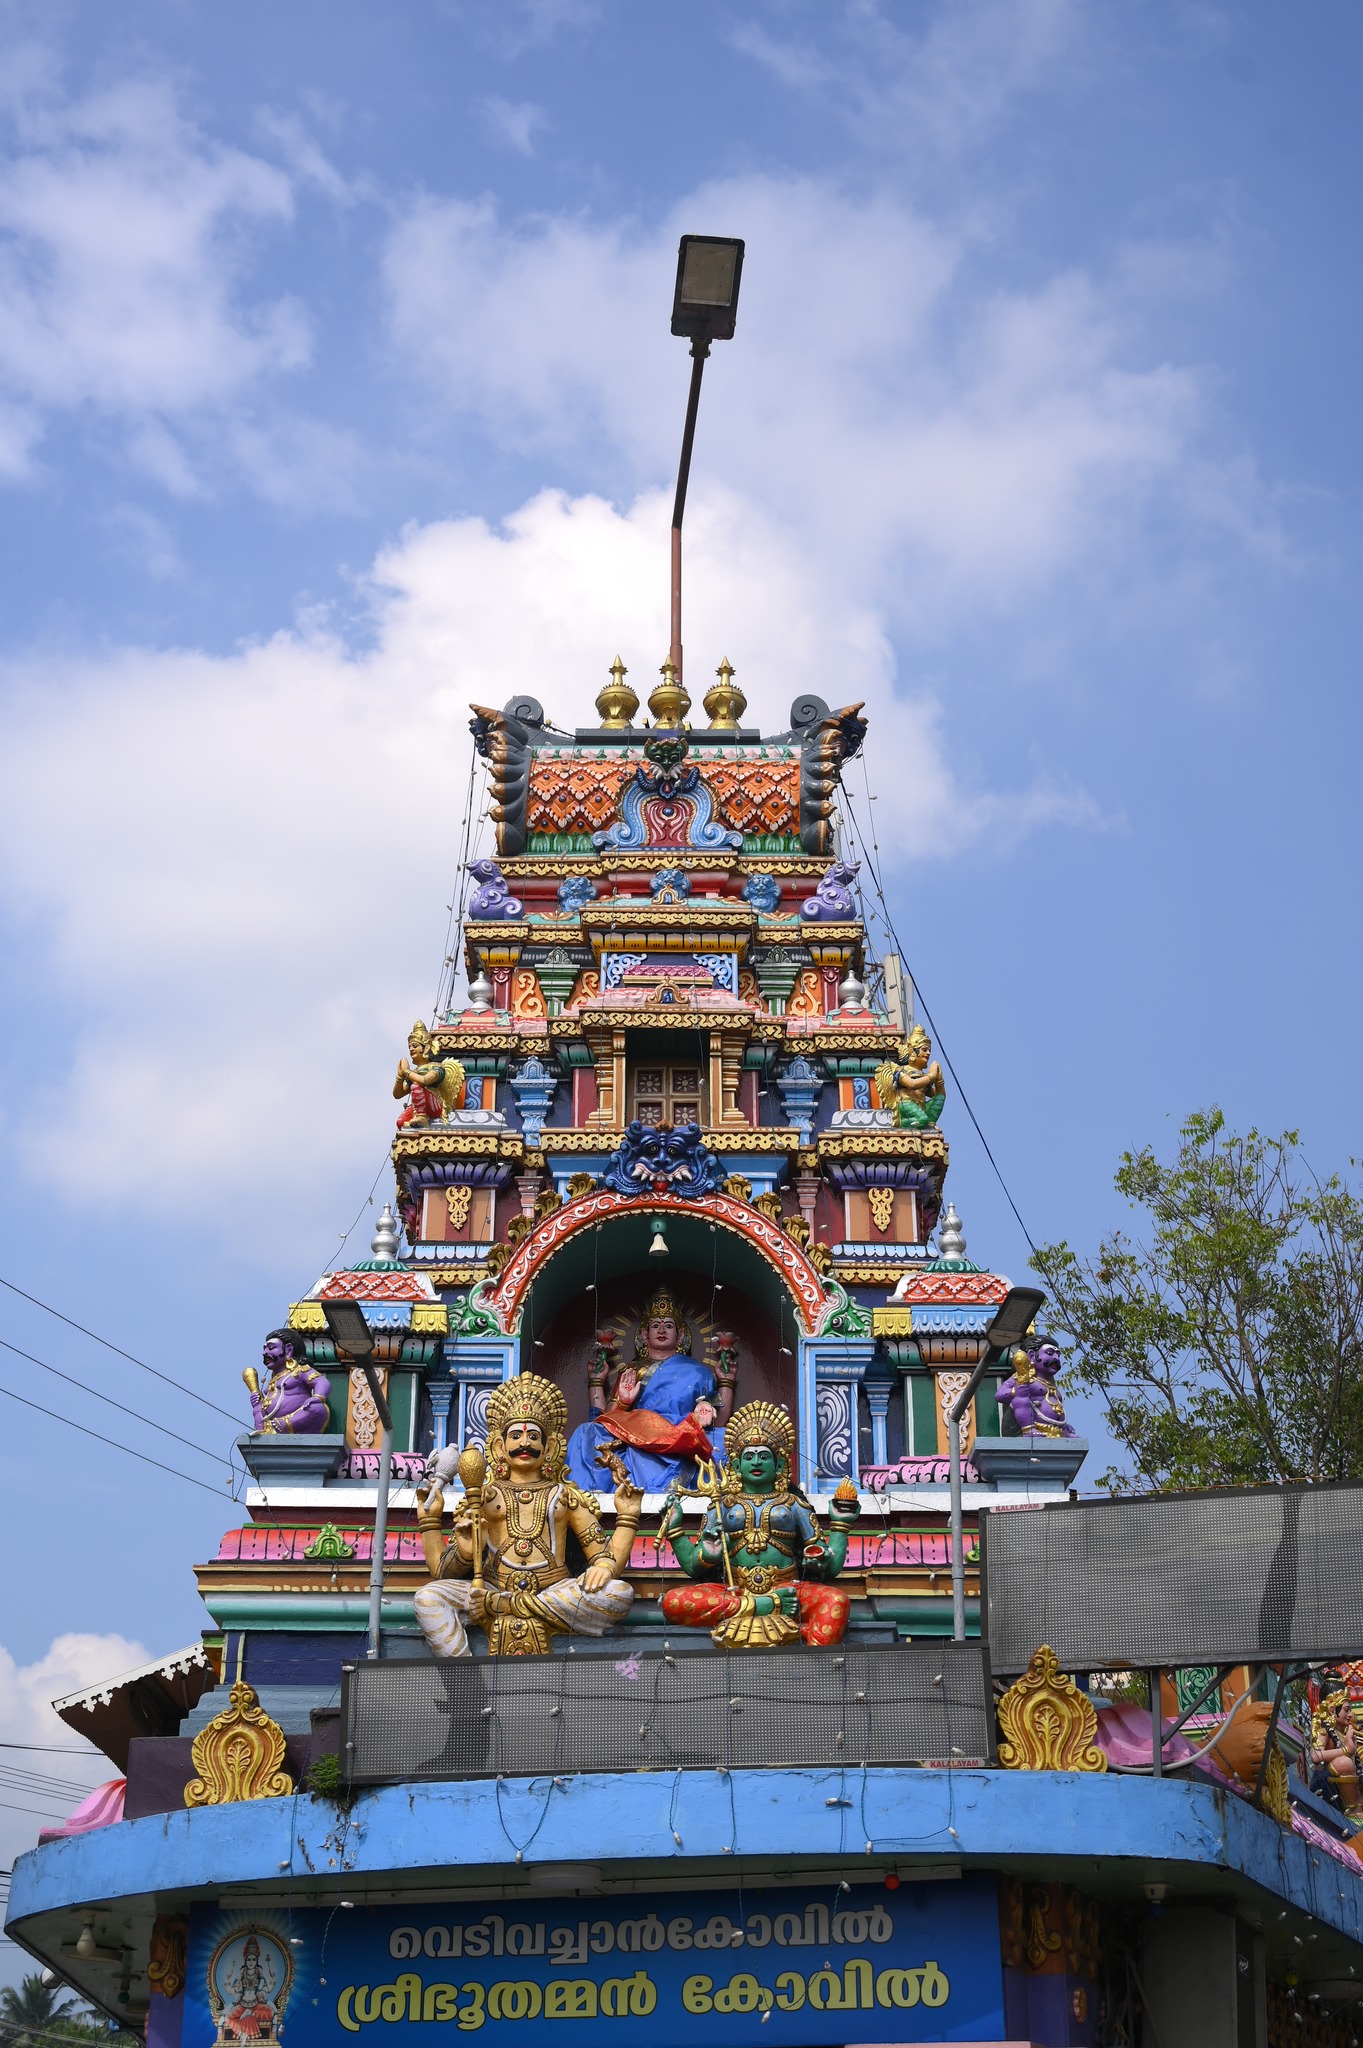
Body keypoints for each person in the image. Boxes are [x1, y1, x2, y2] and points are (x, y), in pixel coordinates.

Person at [413, 1373, 641, 1658]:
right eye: (516, 1436)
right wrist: (453, 1542)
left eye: (534, 1436)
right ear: (499, 1446)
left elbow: (602, 1557)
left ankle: (507, 1605)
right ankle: (464, 1679)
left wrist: (625, 1525)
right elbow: (442, 1573)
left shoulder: (565, 1496)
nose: (525, 1443)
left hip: (550, 1591)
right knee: (428, 1598)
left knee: (618, 1593)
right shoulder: (482, 1496)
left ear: (549, 1448)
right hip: (494, 1585)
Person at [659, 1400, 858, 1648]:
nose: (755, 1462)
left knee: (837, 1601)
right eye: (749, 1457)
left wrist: (839, 1527)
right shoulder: (720, 1507)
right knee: (672, 1601)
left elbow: (830, 1566)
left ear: (779, 1465)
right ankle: (764, 1608)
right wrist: (680, 1533)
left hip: (789, 1592)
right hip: (736, 1593)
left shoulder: (794, 1505)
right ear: (735, 1466)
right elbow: (692, 1566)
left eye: (764, 1456)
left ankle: (814, 1664)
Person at [564, 1287, 728, 1492]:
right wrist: (622, 1400)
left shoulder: (698, 1371)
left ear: (680, 1336)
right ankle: (583, 1496)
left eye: (668, 1326)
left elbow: (717, 1419)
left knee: (724, 1437)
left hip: (682, 1431)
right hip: (639, 1431)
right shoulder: (633, 1369)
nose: (661, 1330)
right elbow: (609, 1418)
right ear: (644, 1334)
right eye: (655, 1326)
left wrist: (723, 1385)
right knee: (585, 1432)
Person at [242, 1331, 331, 1435]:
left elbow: (322, 1382)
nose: (264, 1353)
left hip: (299, 1421)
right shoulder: (272, 1382)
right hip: (271, 1425)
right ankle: (262, 1430)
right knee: (257, 1407)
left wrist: (317, 1397)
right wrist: (257, 1399)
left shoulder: (300, 1371)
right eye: (264, 1348)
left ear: (288, 1350)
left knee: (317, 1408)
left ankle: (284, 1424)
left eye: (271, 1348)